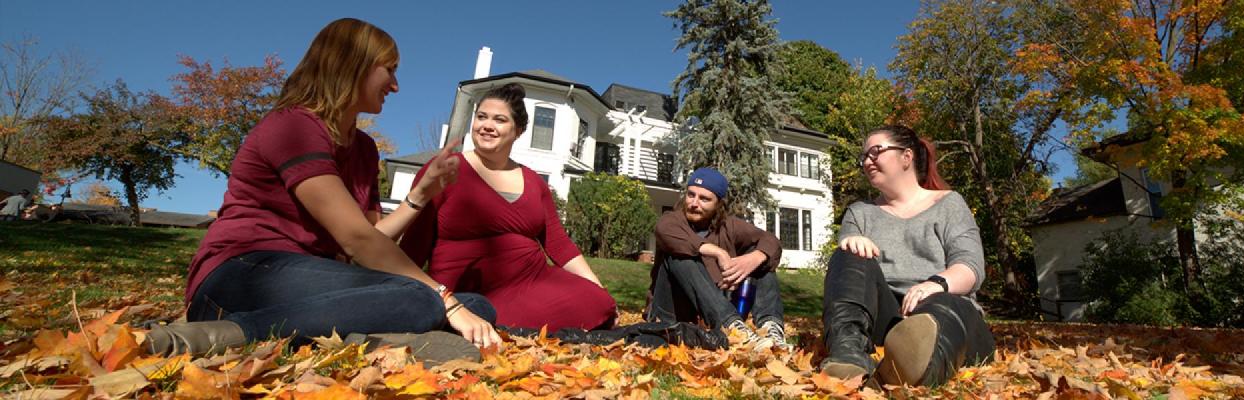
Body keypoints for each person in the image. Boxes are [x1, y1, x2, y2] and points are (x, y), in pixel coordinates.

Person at [156, 18, 502, 357]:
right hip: (242, 273)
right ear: (354, 65)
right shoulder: (294, 126)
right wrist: (444, 297)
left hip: (313, 280)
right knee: (427, 300)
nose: (395, 85)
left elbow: (370, 239)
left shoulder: (365, 149)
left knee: (477, 306)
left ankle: (369, 344)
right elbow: (357, 239)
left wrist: (421, 194)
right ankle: (224, 334)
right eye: (389, 69)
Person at [400, 82, 616, 331]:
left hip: (533, 281)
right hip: (469, 292)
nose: (487, 126)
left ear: (518, 131)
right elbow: (413, 246)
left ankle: (519, 325)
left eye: (499, 120)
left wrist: (598, 288)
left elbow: (558, 244)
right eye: (481, 117)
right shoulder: (444, 170)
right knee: (484, 313)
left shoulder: (534, 181)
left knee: (598, 300)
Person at [821, 125, 995, 387]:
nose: (867, 161)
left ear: (907, 157)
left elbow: (970, 267)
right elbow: (847, 275)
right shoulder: (859, 213)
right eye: (864, 156)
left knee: (943, 309)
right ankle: (849, 353)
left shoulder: (949, 204)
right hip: (888, 321)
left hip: (945, 312)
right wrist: (851, 242)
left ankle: (914, 369)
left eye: (876, 152)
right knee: (848, 252)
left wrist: (935, 285)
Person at [647, 168, 787, 348]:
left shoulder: (728, 226)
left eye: (704, 199)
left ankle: (771, 328)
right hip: (673, 316)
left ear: (719, 204)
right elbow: (665, 232)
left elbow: (771, 241)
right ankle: (732, 328)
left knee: (760, 255)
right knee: (679, 255)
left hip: (713, 314)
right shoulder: (672, 220)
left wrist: (755, 258)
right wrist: (718, 252)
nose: (694, 203)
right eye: (691, 195)